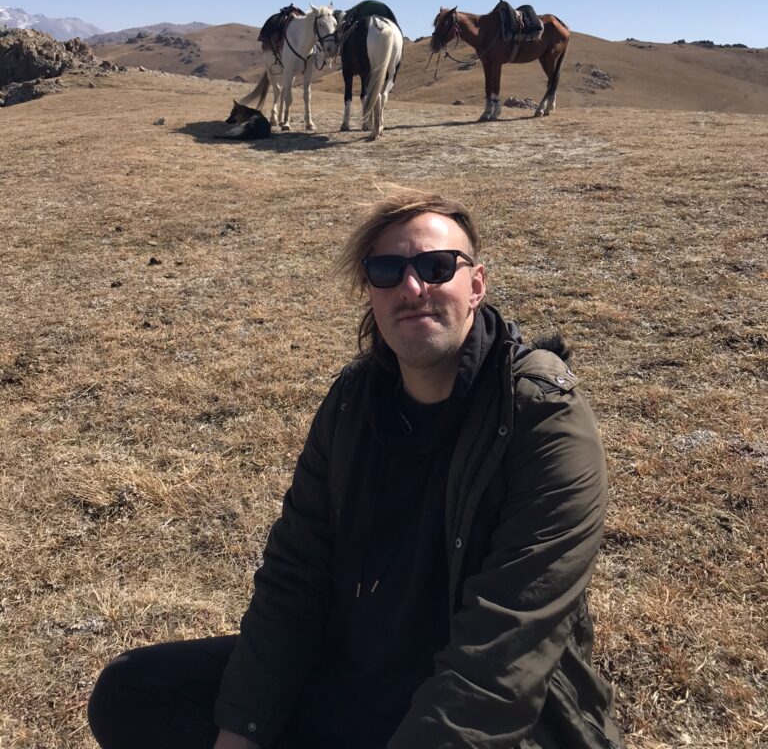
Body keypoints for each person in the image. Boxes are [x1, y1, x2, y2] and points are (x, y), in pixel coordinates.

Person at [88, 189, 625, 749]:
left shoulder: (540, 415)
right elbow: (294, 576)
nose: (412, 288)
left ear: (477, 285)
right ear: (371, 294)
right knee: (135, 691)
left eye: (436, 267)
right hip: (357, 676)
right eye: (387, 271)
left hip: (489, 716)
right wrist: (241, 731)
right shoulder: (352, 403)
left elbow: (505, 647)